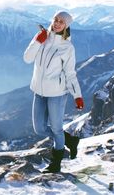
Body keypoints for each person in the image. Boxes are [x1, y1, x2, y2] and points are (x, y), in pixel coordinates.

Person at [23, 11, 84, 173]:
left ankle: (55, 163)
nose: (57, 23)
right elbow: (27, 58)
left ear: (66, 26)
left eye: (61, 22)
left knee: (57, 129)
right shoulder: (41, 37)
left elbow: (70, 73)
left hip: (57, 93)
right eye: (56, 20)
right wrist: (37, 41)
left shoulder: (67, 47)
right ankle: (70, 140)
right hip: (38, 91)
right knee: (40, 129)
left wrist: (77, 95)